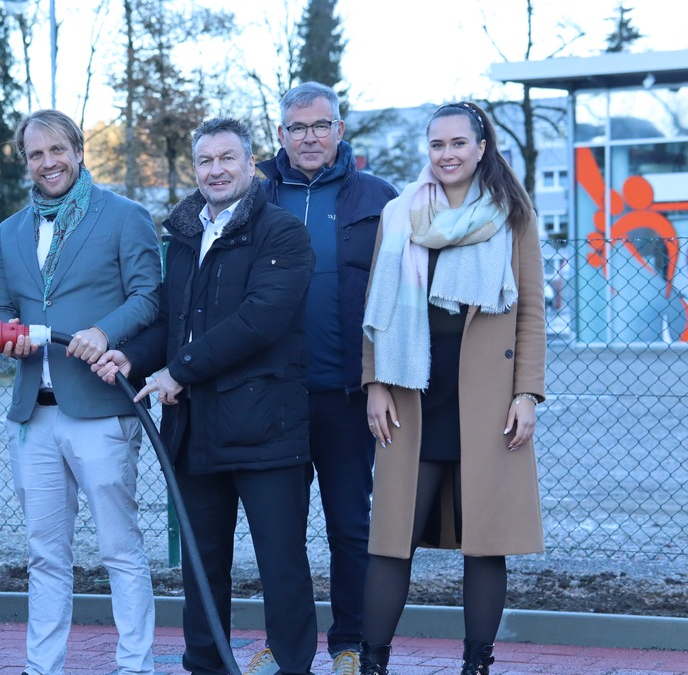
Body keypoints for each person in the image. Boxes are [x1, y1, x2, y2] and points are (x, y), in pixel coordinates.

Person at [93, 118, 318, 675]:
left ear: (250, 164)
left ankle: (291, 665)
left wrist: (179, 371)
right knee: (201, 566)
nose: (216, 170)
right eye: (205, 161)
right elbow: (172, 321)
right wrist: (136, 357)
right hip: (194, 431)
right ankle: (206, 665)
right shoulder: (184, 235)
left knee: (282, 564)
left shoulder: (282, 233)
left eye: (227, 158)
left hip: (267, 430)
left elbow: (259, 321)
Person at [359, 101, 545, 675]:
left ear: (481, 146)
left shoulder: (512, 213)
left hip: (487, 402)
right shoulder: (400, 215)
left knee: (485, 543)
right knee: (393, 540)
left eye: (458, 144)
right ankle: (373, 662)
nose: (446, 155)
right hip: (412, 391)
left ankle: (477, 665)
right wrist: (375, 383)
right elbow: (377, 307)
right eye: (437, 145)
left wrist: (527, 394)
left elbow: (531, 311)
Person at [0, 109, 162, 675]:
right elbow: (0, 310)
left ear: (79, 151)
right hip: (33, 417)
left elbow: (148, 296)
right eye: (35, 155)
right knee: (45, 555)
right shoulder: (11, 231)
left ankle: (134, 665)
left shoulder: (124, 217)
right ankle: (43, 666)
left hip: (100, 410)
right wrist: (7, 338)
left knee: (120, 549)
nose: (47, 163)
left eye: (56, 150)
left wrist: (104, 331)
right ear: (27, 162)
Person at [257, 81, 398, 675]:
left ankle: (349, 644)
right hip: (273, 395)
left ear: (340, 130)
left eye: (321, 126)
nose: (309, 137)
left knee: (350, 526)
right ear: (280, 135)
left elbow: (400, 297)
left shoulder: (380, 199)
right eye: (297, 128)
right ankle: (284, 647)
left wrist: (381, 381)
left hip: (348, 395)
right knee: (279, 534)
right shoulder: (255, 196)